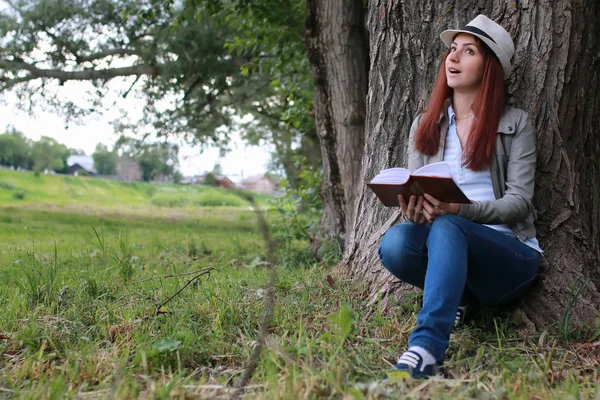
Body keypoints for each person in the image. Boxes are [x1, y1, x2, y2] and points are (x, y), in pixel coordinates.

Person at [379, 15, 543, 380]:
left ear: (490, 68)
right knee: (395, 242)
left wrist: (459, 210)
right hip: (447, 240)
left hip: (510, 254)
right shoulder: (427, 124)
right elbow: (420, 188)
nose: (453, 57)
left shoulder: (516, 123)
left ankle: (426, 349)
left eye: (468, 51)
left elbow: (520, 202)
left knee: (452, 224)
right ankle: (460, 297)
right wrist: (415, 211)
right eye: (452, 49)